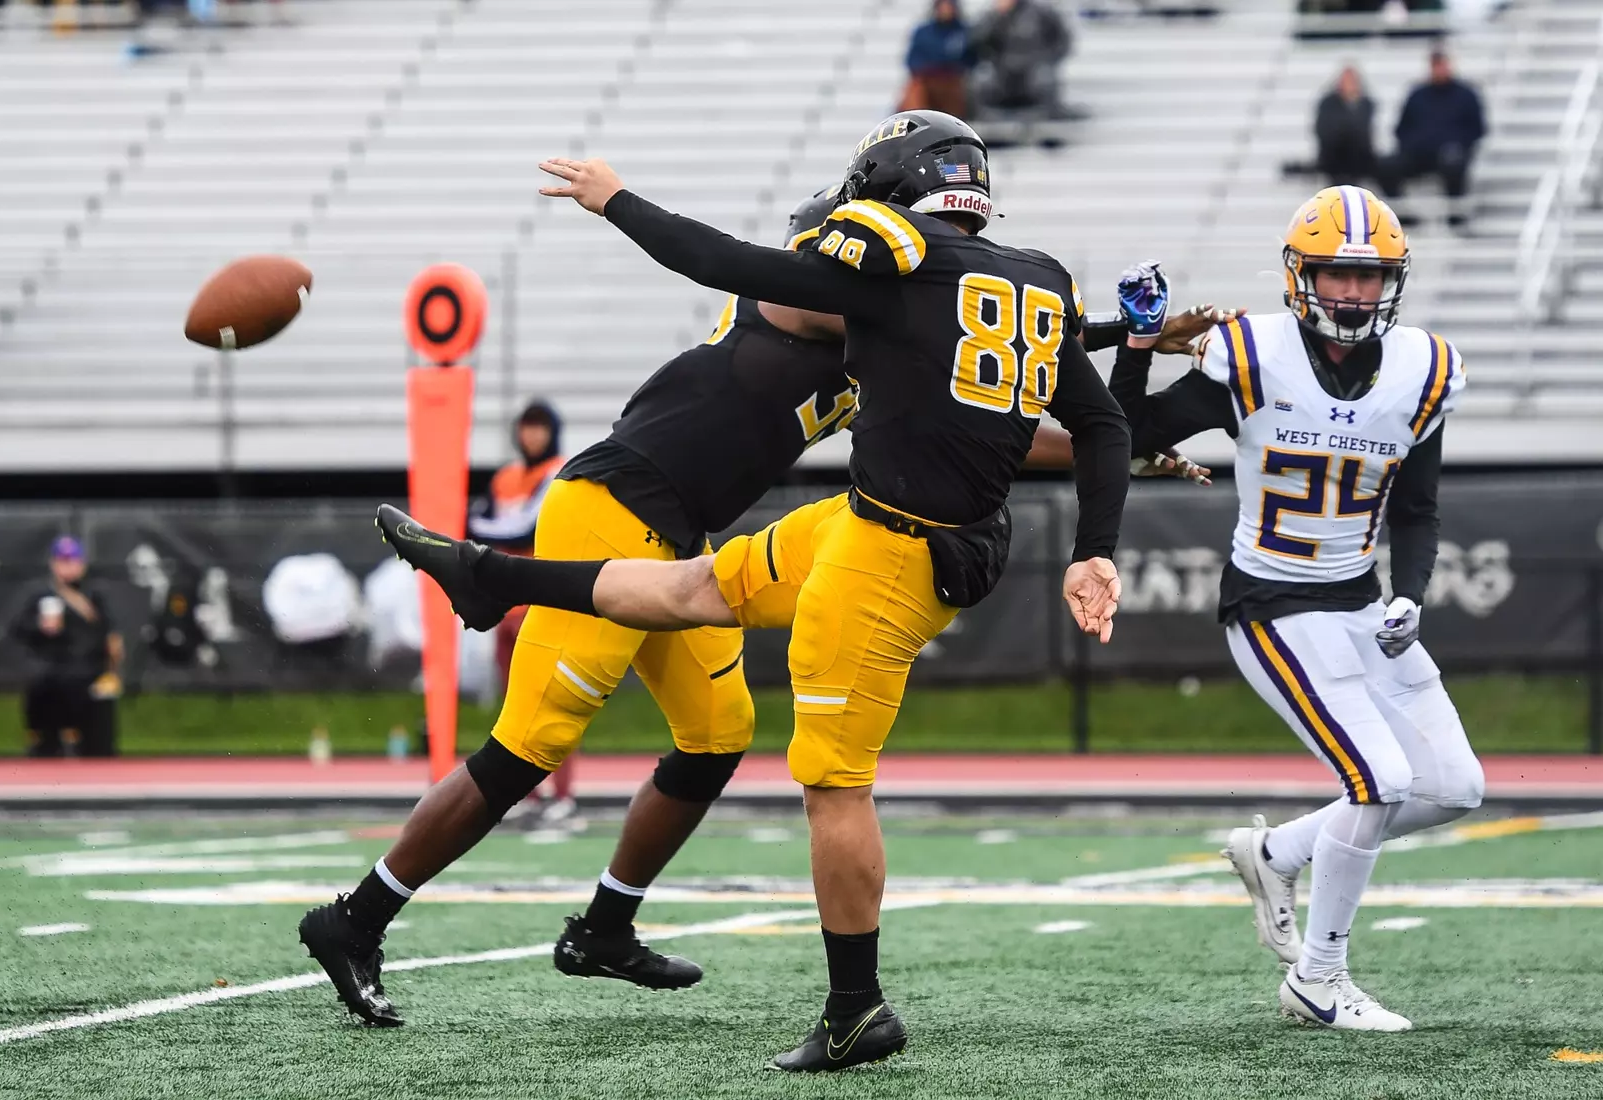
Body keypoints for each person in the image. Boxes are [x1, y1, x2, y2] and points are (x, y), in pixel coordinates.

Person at [301, 177, 1225, 1036]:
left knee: (715, 734)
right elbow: (935, 310)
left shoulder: (881, 345)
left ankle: (604, 928)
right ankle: (356, 918)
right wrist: (1096, 329)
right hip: (609, 506)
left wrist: (1117, 390)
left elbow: (987, 391)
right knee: (531, 745)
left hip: (681, 532)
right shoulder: (802, 302)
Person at [1108, 186, 1482, 1032]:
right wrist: (1136, 344)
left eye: (1368, 276)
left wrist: (1410, 596)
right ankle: (1318, 978)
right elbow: (1126, 433)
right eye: (1335, 274)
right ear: (1299, 274)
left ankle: (1275, 853)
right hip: (1273, 603)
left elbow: (1417, 510)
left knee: (1457, 785)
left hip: (1359, 601)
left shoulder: (1424, 370)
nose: (1352, 293)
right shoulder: (1253, 356)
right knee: (1379, 781)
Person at [468, 399, 576, 824]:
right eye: (526, 427)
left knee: (556, 702)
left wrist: (476, 525)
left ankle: (562, 793)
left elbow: (519, 528)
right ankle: (527, 794)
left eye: (540, 427)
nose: (532, 435)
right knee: (515, 707)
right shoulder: (506, 477)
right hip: (505, 608)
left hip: (542, 605)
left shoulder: (559, 472)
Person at [12, 536, 123, 757]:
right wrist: (41, 627)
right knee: (42, 685)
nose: (67, 567)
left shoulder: (94, 594)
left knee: (78, 684)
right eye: (62, 561)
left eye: (72, 561)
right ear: (53, 563)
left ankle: (79, 740)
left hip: (87, 669)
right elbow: (18, 628)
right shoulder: (40, 595)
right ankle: (44, 742)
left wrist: (111, 666)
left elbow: (109, 633)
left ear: (81, 564)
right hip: (50, 668)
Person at [1379, 49, 1486, 228]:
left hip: (1450, 154)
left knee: (1453, 163)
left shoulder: (1465, 95)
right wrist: (1413, 145)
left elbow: (1476, 129)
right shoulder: (1417, 94)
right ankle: (1403, 216)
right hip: (1418, 155)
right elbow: (1401, 128)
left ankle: (1455, 217)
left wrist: (1458, 144)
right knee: (1386, 165)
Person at [970, 0, 1078, 121]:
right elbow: (978, 42)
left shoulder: (1041, 12)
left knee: (1044, 77)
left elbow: (1062, 39)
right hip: (1003, 72)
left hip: (1033, 69)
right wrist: (996, 17)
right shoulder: (991, 16)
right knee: (982, 79)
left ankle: (1046, 118)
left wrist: (1047, 60)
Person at [899, 0, 975, 118]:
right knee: (915, 89)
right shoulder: (923, 32)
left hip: (952, 81)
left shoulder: (964, 32)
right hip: (927, 80)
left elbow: (970, 60)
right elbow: (912, 61)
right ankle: (915, 119)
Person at [1315, 66, 1378, 187]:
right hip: (1334, 157)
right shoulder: (1328, 104)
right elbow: (1324, 132)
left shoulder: (1366, 104)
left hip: (1360, 157)